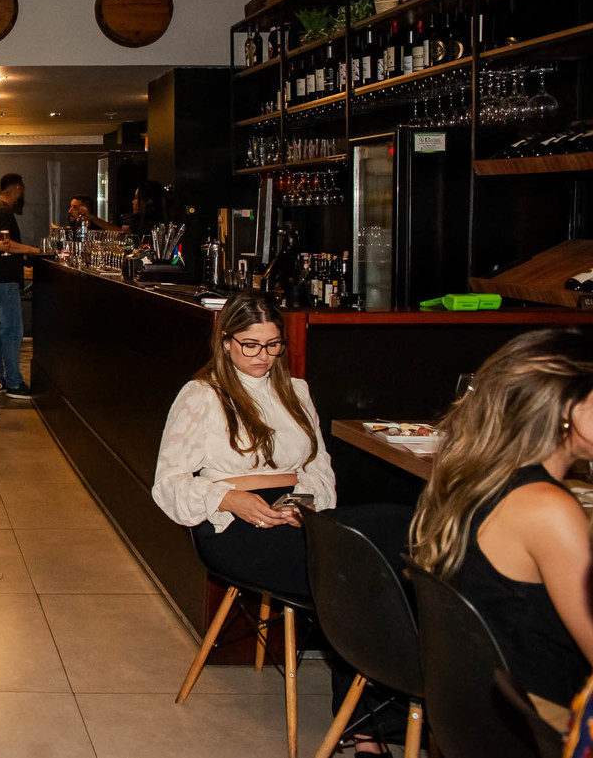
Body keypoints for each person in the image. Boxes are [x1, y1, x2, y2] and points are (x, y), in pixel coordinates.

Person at [152, 290, 409, 754]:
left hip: (295, 510)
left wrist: (304, 504)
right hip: (231, 522)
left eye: (272, 345)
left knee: (395, 529)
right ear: (226, 341)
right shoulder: (202, 394)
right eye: (250, 345)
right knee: (355, 578)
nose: (263, 356)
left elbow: (319, 468)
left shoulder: (296, 391)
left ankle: (384, 713)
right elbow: (167, 483)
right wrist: (229, 497)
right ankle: (369, 732)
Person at [411, 327, 593, 706]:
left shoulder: (472, 477)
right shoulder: (547, 508)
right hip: (537, 714)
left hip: (471, 705)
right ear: (567, 409)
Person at [0, 172, 39, 400]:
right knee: (12, 333)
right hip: (5, 282)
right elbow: (2, 242)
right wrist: (33, 250)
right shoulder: (4, 212)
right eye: (22, 189)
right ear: (17, 188)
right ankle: (14, 382)